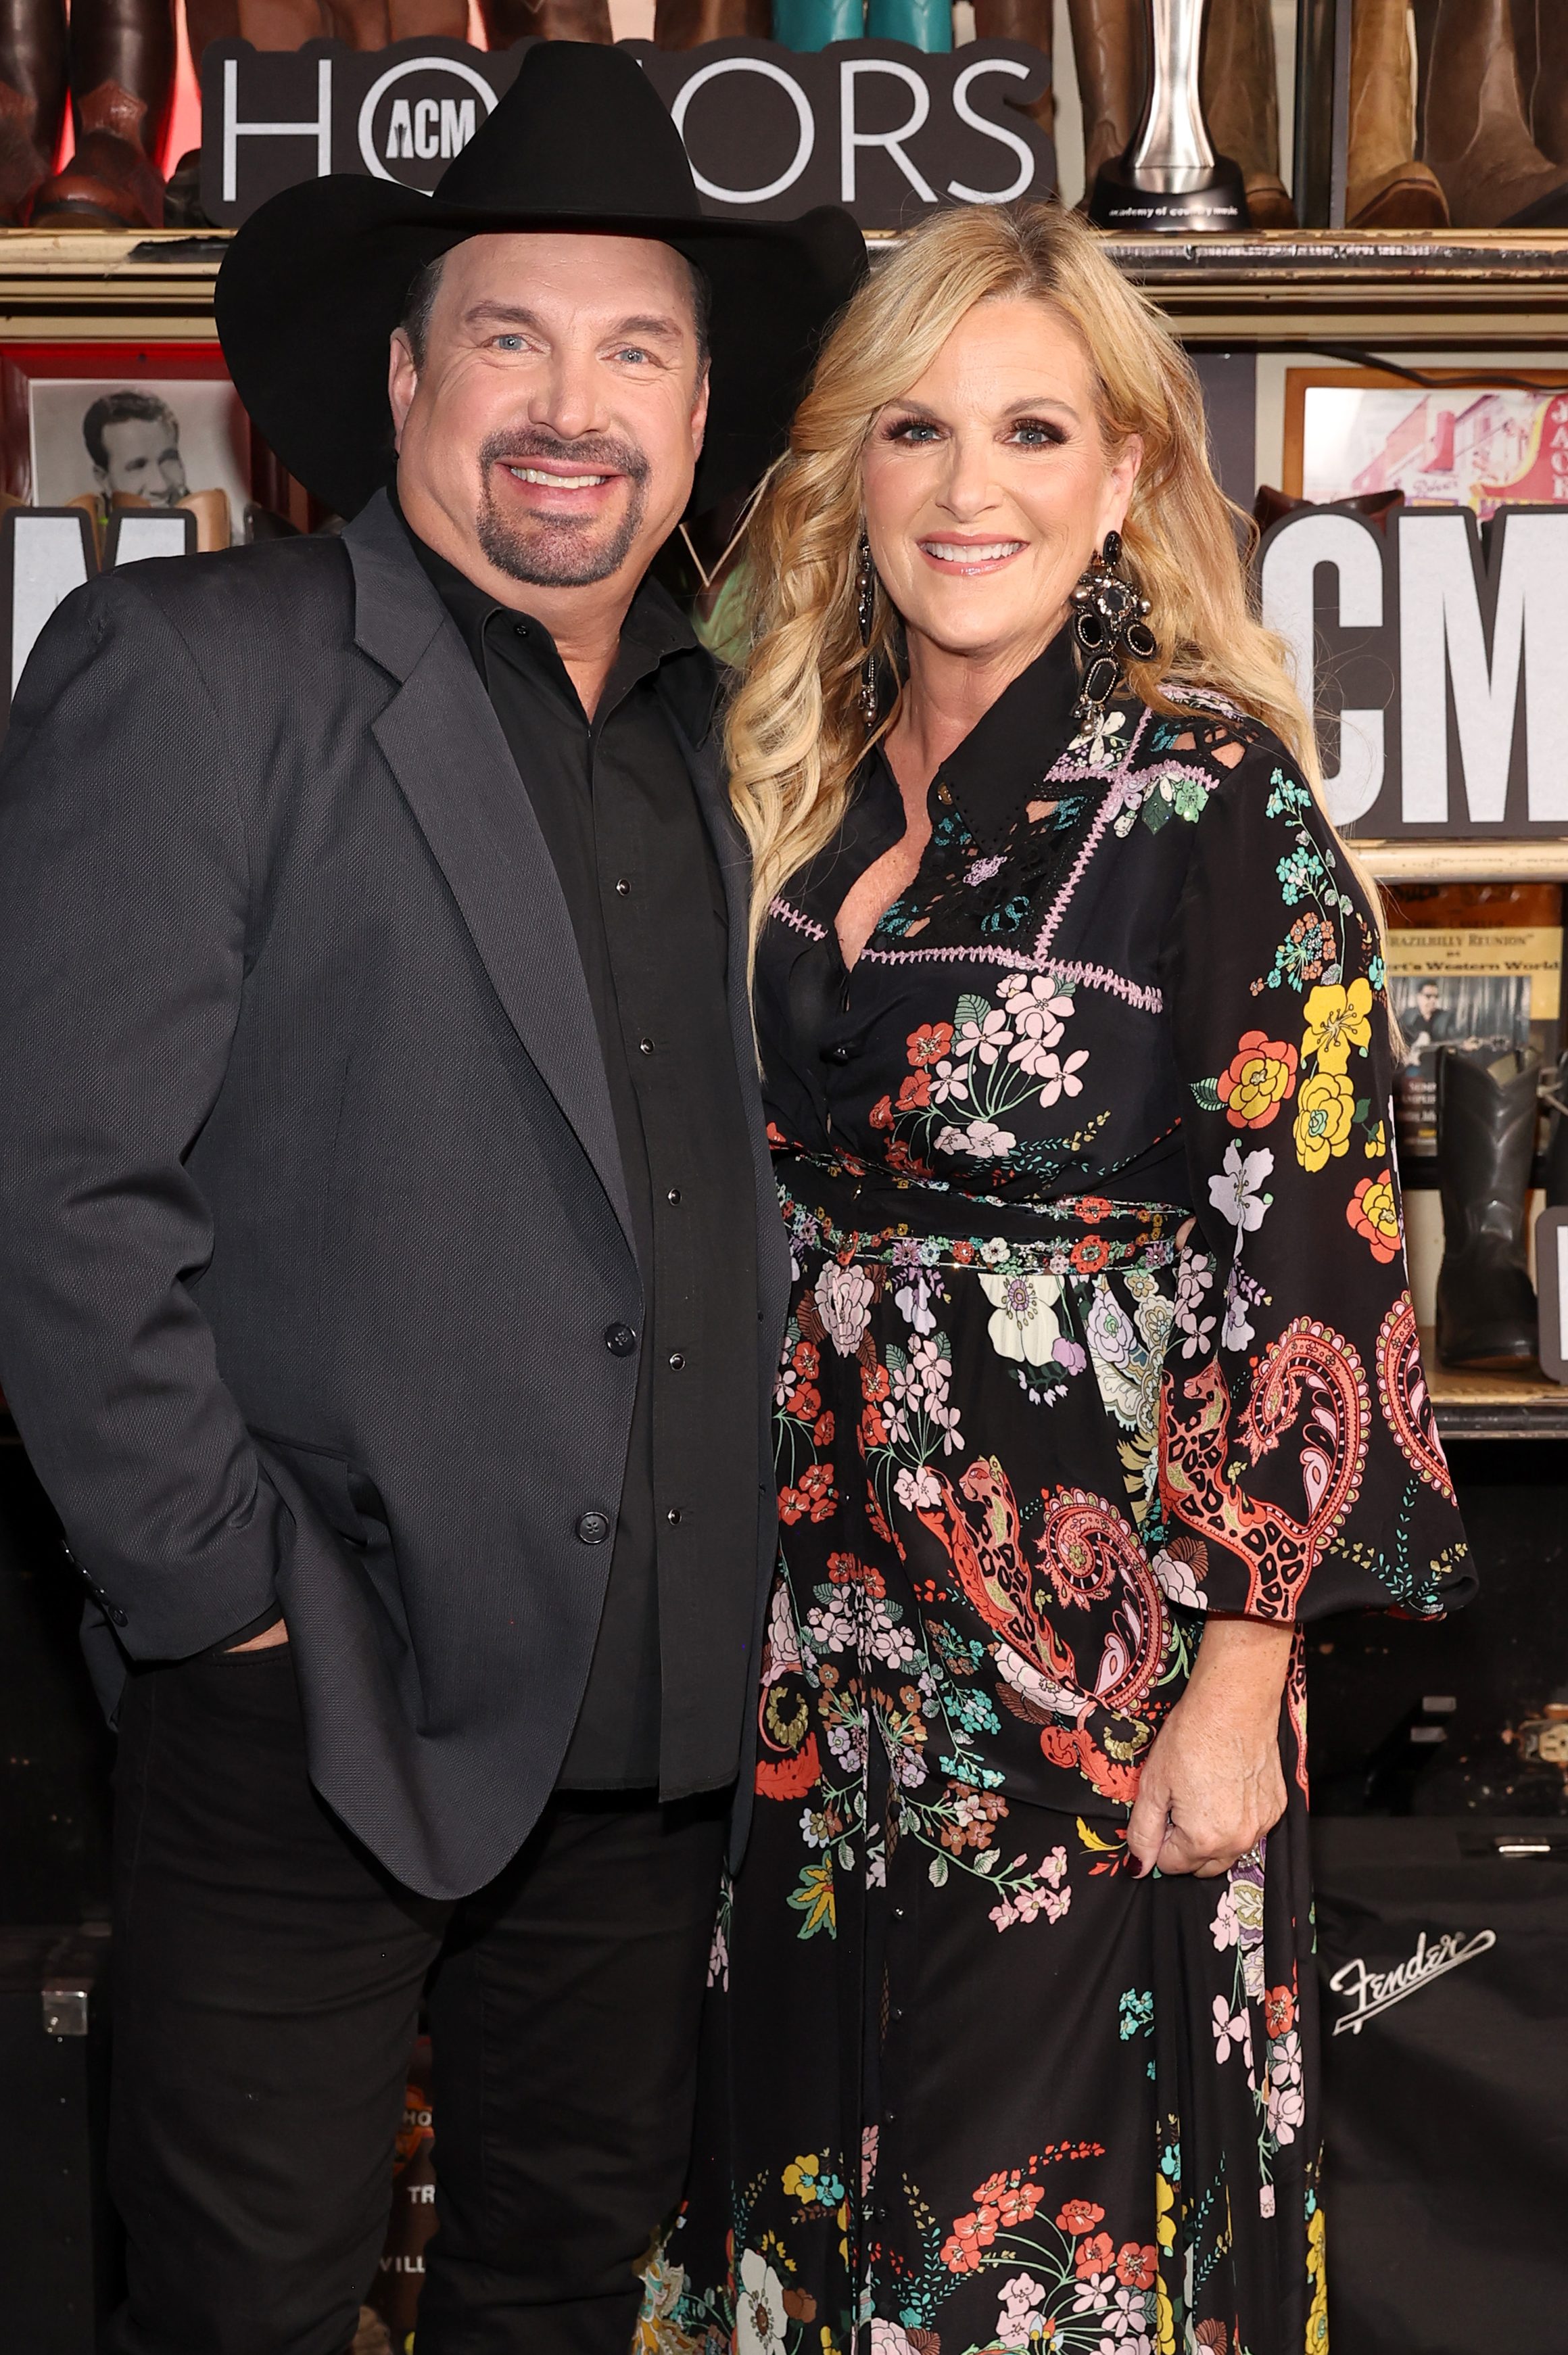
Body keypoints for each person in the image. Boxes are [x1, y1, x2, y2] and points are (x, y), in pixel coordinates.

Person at [0, 42, 863, 2355]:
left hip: (648, 1739)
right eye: (510, 339)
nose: (571, 403)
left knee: (558, 2292)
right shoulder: (203, 667)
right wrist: (220, 1609)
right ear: (399, 376)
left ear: (694, 411)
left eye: (633, 347)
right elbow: (55, 1183)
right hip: (309, 1710)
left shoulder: (700, 740)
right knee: (247, 2305)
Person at [644, 202, 1475, 2355]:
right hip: (813, 1659)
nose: (967, 487)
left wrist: (1232, 1681)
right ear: (850, 474)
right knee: (808, 2205)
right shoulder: (791, 784)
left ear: (1117, 474)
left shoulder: (1206, 803)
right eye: (913, 430)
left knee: (1032, 2255)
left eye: (1029, 429)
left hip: (1086, 1677)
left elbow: (1309, 1251)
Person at [82, 388, 189, 509]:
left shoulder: (209, 521)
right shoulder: (85, 526)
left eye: (169, 460)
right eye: (137, 467)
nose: (161, 486)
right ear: (104, 479)